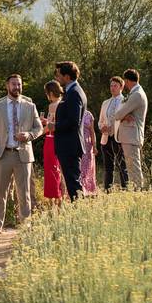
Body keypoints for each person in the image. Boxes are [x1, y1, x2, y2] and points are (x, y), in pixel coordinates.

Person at [0, 74, 43, 235]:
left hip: (23, 155)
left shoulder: (29, 106)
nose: (17, 87)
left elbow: (38, 128)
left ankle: (25, 224)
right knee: (0, 192)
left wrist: (29, 135)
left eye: (19, 84)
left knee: (24, 192)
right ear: (7, 86)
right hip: (3, 154)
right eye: (14, 84)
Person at [53, 61, 87, 201]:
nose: (57, 78)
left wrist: (54, 126)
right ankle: (77, 213)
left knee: (74, 184)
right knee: (72, 183)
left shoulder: (74, 93)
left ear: (67, 77)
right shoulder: (72, 91)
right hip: (68, 145)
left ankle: (79, 215)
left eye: (59, 75)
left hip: (70, 146)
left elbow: (74, 121)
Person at [111, 69, 147, 190]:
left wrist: (122, 116)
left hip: (132, 136)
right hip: (130, 135)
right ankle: (135, 191)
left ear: (126, 81)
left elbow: (118, 114)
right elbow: (121, 114)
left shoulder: (136, 94)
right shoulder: (135, 92)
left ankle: (138, 192)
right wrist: (123, 116)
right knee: (132, 167)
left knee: (134, 168)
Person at [98, 76, 128, 191]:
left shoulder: (125, 101)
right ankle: (107, 191)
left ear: (121, 87)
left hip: (119, 137)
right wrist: (102, 128)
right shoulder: (105, 103)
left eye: (115, 85)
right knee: (108, 167)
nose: (112, 88)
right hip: (106, 137)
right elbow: (100, 121)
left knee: (122, 166)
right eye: (111, 85)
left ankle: (125, 190)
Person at [41, 80, 65, 205]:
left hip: (51, 141)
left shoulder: (53, 105)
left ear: (50, 93)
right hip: (63, 140)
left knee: (51, 171)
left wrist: (36, 134)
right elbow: (53, 122)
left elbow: (50, 126)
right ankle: (62, 199)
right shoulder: (64, 103)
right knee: (60, 171)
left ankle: (53, 201)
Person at [80, 110, 99, 195]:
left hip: (88, 145)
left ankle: (89, 191)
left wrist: (94, 146)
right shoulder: (74, 112)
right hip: (78, 144)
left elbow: (92, 131)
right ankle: (80, 191)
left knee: (88, 168)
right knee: (80, 168)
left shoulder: (88, 114)